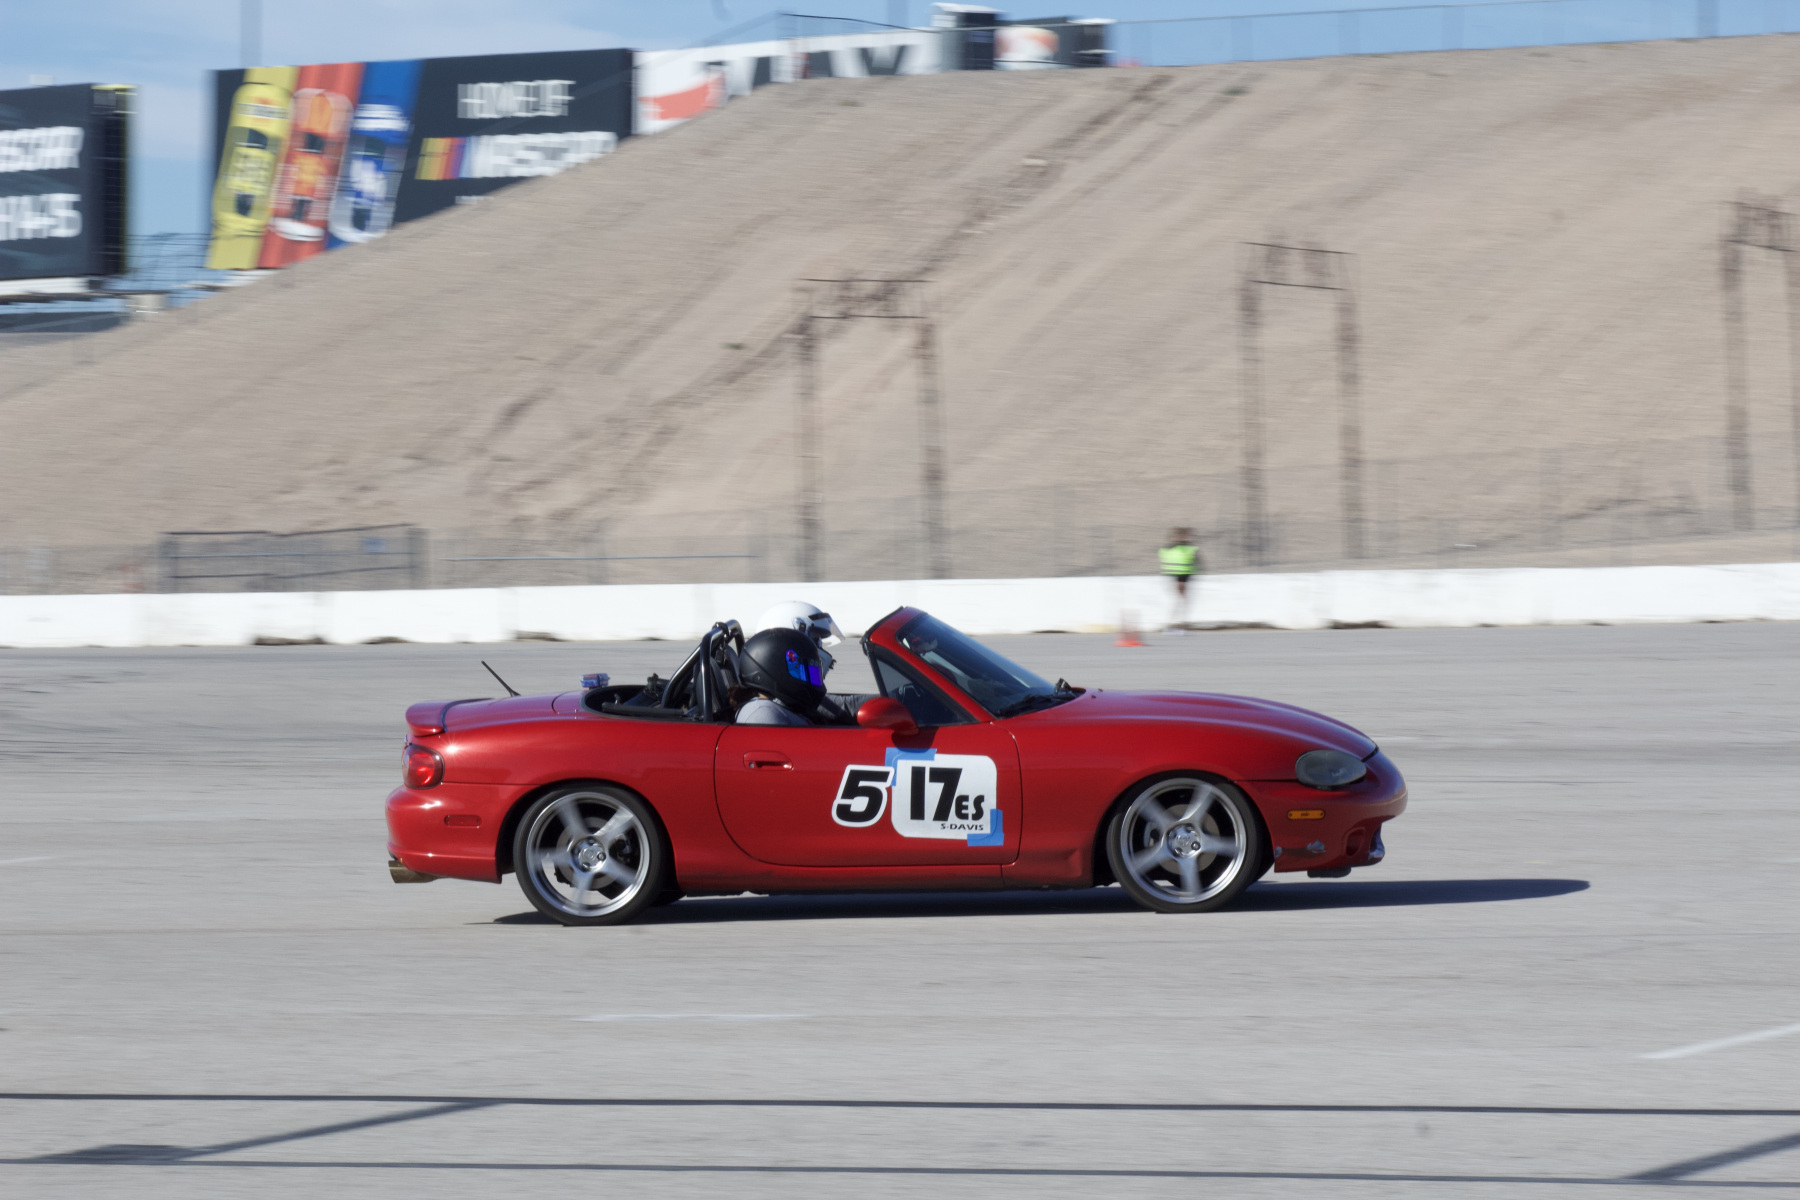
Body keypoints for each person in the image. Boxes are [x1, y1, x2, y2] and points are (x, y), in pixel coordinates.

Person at [733, 628, 827, 726]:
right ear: (777, 670)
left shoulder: (786, 705)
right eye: (802, 671)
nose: (820, 677)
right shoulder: (762, 714)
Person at [1159, 527, 1201, 634]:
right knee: (1179, 601)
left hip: (1179, 577)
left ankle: (1175, 625)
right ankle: (1174, 625)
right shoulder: (1185, 549)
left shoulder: (1170, 549)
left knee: (1181, 601)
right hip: (1178, 578)